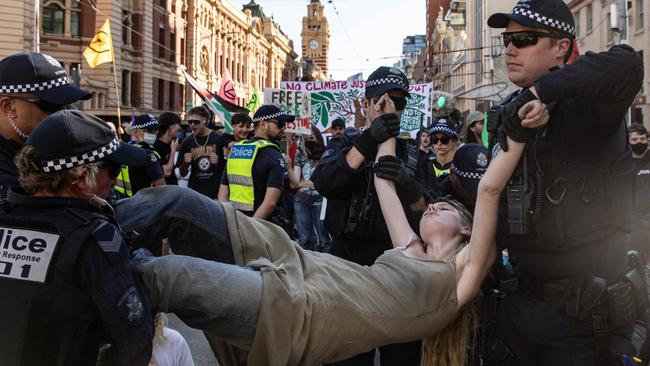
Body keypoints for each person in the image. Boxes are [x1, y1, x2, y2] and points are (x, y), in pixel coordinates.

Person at [121, 124, 528, 366]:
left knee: (162, 275)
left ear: (471, 232)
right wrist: (384, 123)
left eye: (448, 208)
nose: (435, 203)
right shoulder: (410, 248)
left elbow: (490, 191)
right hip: (289, 258)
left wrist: (516, 137)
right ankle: (81, 230)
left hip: (296, 309)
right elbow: (384, 179)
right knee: (176, 204)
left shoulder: (456, 283)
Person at [484, 0, 644, 364]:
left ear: (561, 46)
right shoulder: (509, 111)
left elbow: (627, 63)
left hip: (582, 320)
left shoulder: (592, 105)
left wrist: (542, 93)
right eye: (506, 40)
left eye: (524, 38)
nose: (510, 48)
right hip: (518, 311)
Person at [1, 110, 154, 365]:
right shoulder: (93, 239)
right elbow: (135, 344)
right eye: (113, 169)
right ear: (81, 177)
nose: (115, 181)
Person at [312, 66, 427, 365]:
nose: (388, 107)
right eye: (380, 99)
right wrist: (368, 141)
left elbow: (432, 215)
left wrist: (408, 184)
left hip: (400, 280)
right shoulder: (344, 145)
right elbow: (326, 182)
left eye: (398, 102)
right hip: (350, 275)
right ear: (365, 105)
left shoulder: (414, 156)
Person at [0, 51, 91, 197]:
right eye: (50, 105)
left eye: (65, 105)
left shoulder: (45, 146)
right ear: (8, 106)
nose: (63, 114)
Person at [218, 105, 288, 221]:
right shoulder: (274, 155)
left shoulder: (236, 150)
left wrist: (231, 223)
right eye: (279, 124)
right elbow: (270, 203)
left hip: (235, 222)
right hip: (265, 227)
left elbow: (222, 195)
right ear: (263, 124)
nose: (283, 128)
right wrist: (252, 227)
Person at [286, 127, 331, 252]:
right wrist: (289, 168)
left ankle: (326, 268)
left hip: (320, 201)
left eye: (312, 135)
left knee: (324, 239)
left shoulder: (326, 154)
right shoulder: (301, 153)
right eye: (306, 136)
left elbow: (321, 182)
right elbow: (294, 183)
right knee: (304, 239)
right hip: (302, 200)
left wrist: (302, 183)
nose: (309, 137)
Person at [115, 114, 166, 197]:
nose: (155, 133)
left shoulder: (122, 150)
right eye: (150, 130)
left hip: (121, 202)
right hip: (143, 204)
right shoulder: (148, 154)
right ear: (136, 132)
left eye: (156, 129)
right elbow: (162, 188)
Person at [177, 106, 223, 199]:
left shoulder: (218, 139)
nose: (192, 125)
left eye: (196, 122)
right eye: (190, 122)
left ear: (205, 121)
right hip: (195, 192)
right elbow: (182, 174)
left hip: (215, 193)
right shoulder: (186, 142)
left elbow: (225, 171)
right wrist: (185, 163)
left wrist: (218, 163)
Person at [629, 124, 650, 261]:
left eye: (642, 139)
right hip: (632, 220)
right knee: (637, 259)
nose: (639, 142)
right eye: (635, 139)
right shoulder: (623, 163)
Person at [155, 112, 182, 185]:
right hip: (163, 193)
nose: (180, 127)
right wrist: (173, 150)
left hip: (173, 189)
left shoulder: (170, 144)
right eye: (178, 124)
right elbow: (167, 172)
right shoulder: (156, 146)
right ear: (171, 126)